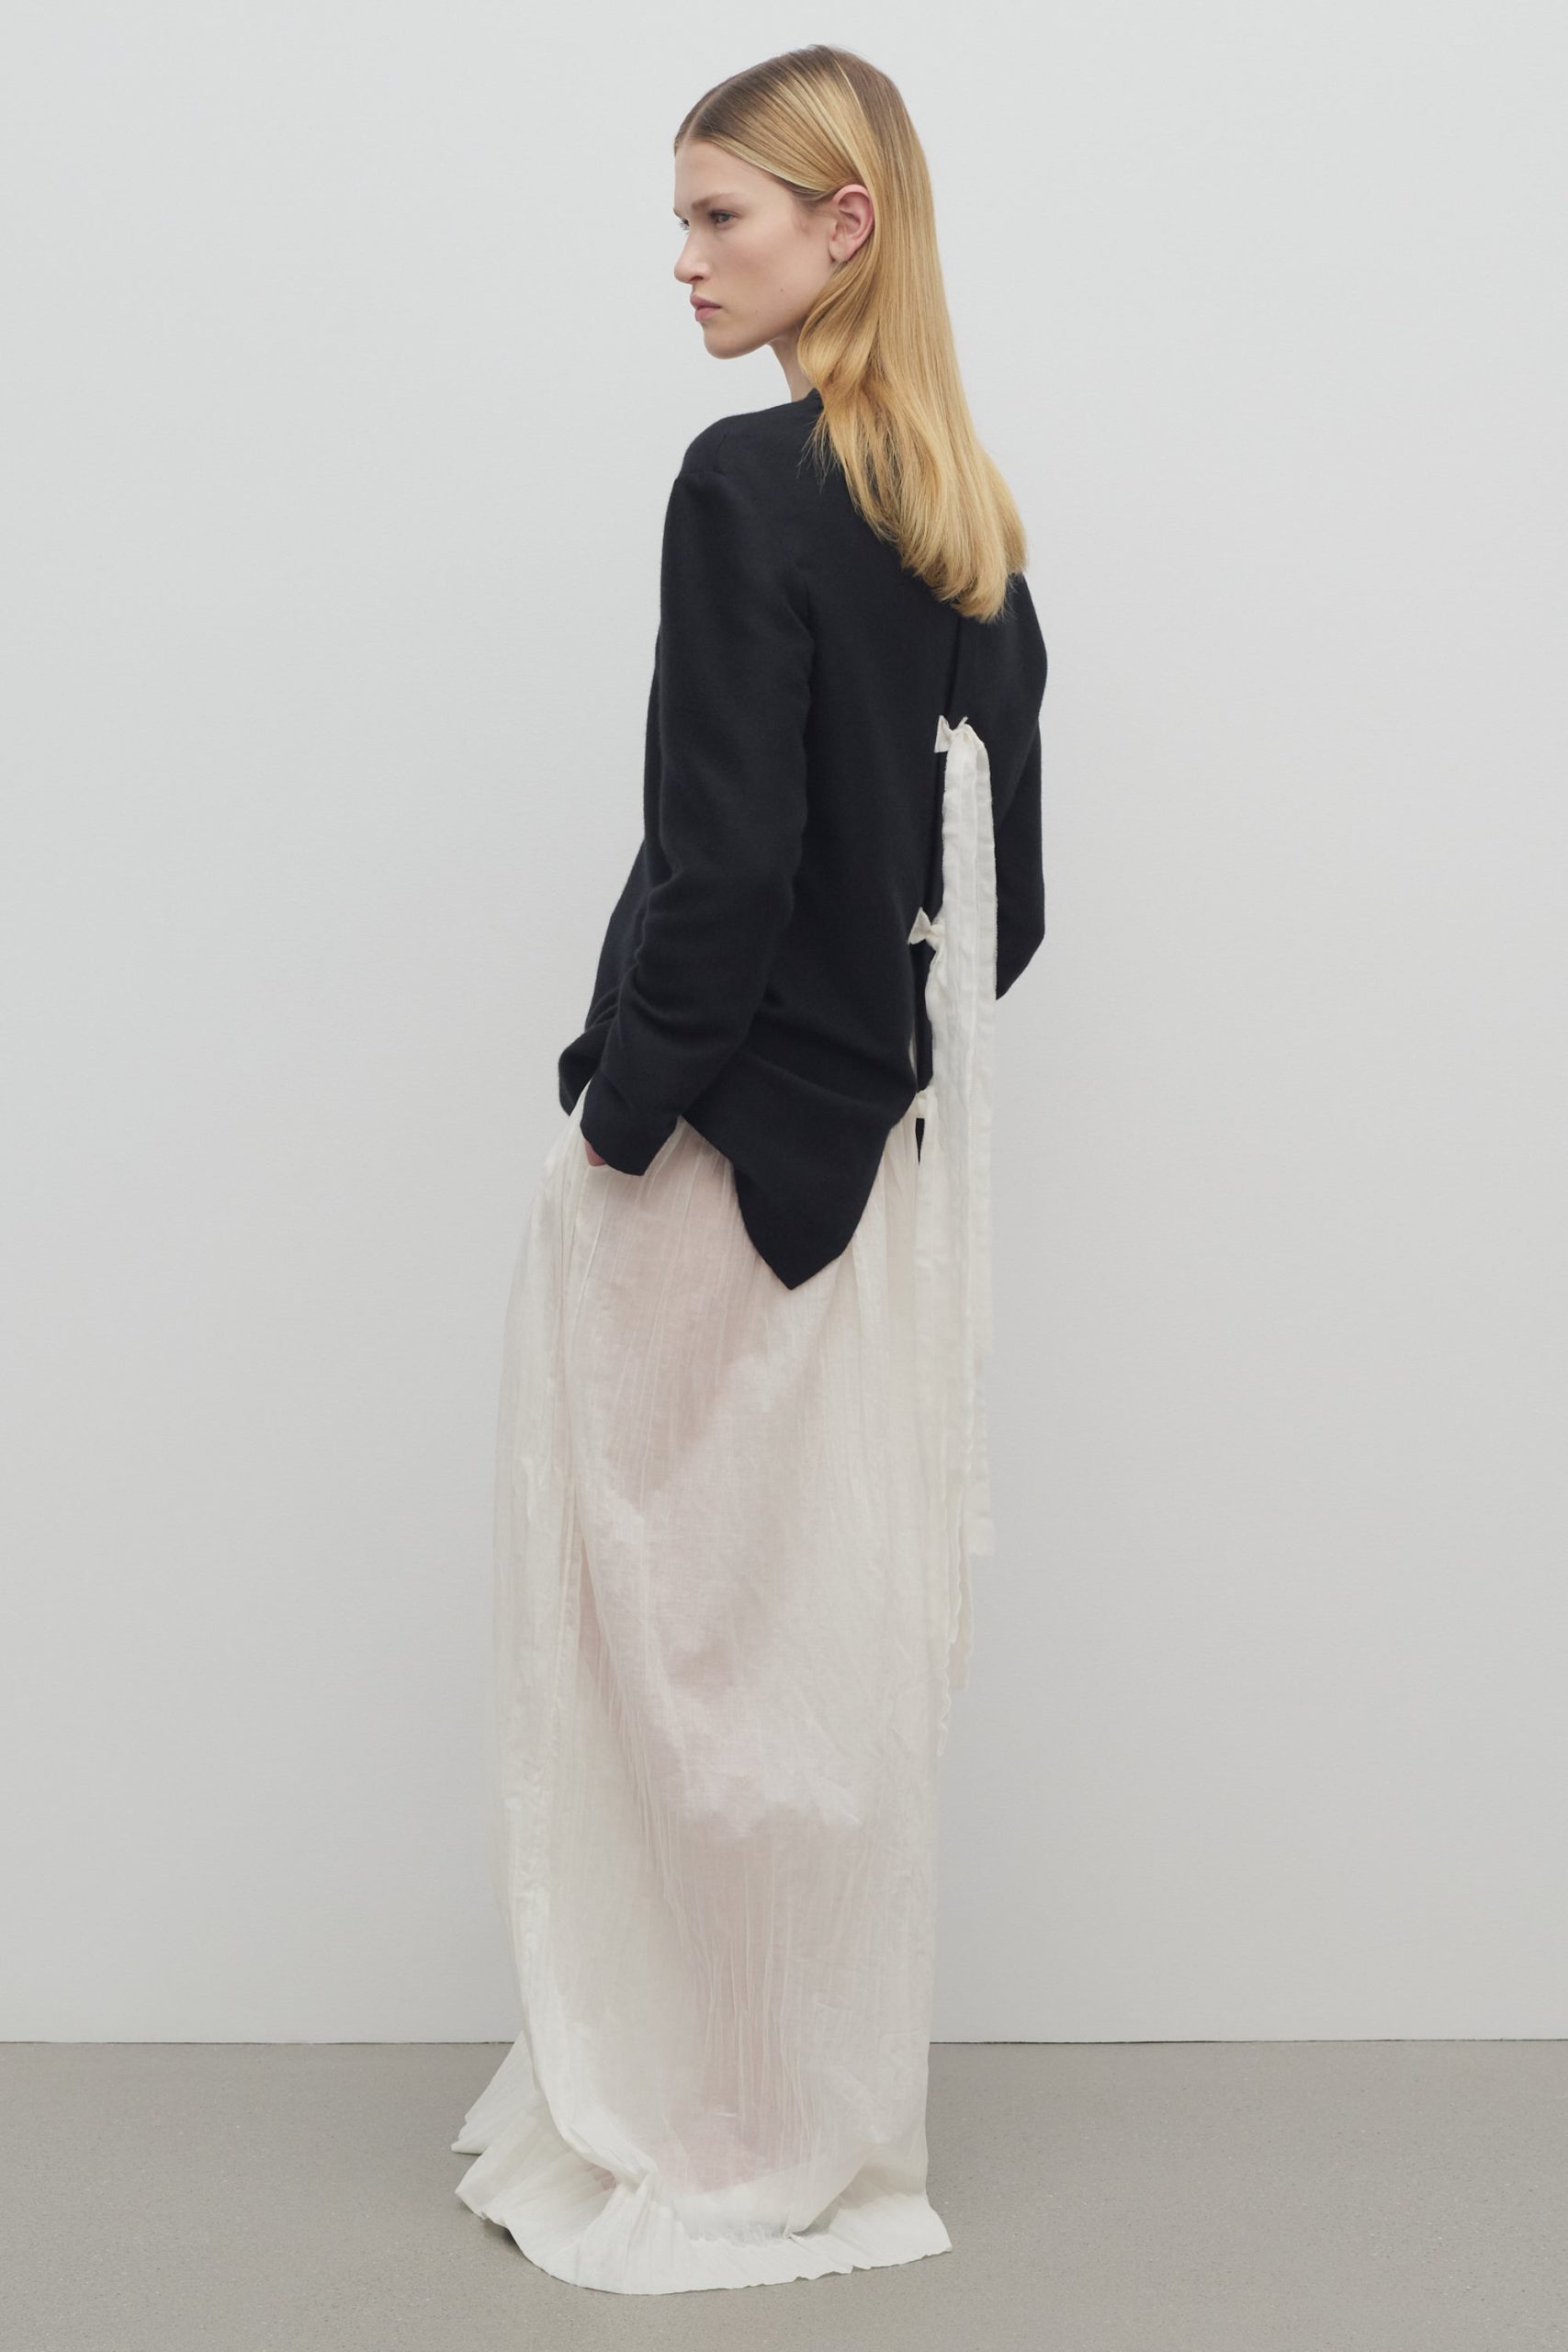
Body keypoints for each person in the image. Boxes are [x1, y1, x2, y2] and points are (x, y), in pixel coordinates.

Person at [452, 42, 1048, 2296]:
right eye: (683, 218)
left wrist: (620, 1125)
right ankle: (804, 2107)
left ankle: (701, 2117)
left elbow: (716, 869)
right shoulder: (968, 529)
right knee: (806, 1658)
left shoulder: (744, 486)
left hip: (705, 1165)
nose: (684, 261)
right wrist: (862, 1072)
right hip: (867, 1184)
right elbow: (1003, 913)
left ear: (841, 226)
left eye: (720, 216)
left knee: (669, 1661)